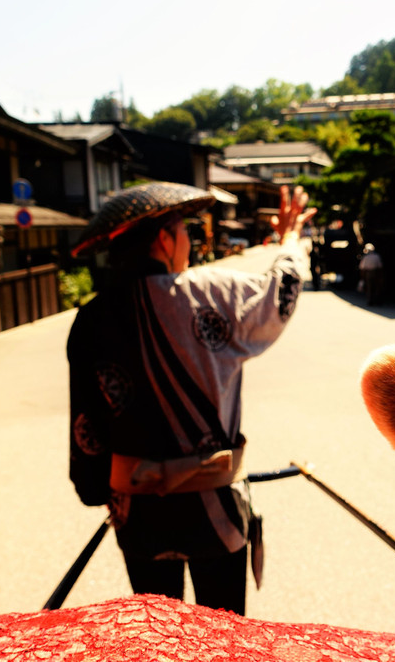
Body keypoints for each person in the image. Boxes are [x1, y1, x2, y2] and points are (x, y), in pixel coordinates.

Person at [67, 181, 314, 614]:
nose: (190, 242)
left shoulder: (90, 319)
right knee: (222, 638)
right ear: (164, 238)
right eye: (186, 231)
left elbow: (86, 428)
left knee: (159, 635)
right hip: (214, 509)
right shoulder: (212, 293)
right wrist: (290, 240)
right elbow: (282, 291)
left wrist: (96, 490)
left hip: (137, 511)